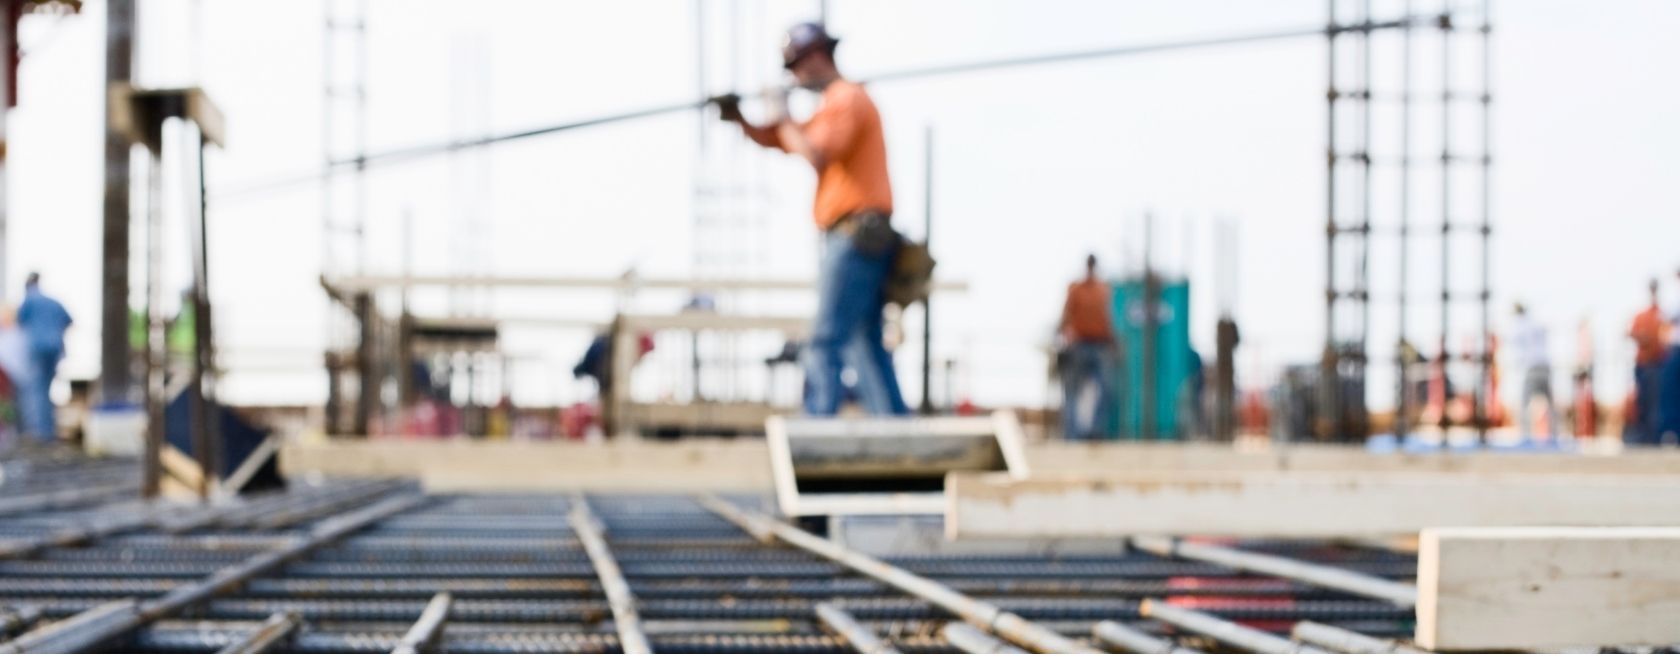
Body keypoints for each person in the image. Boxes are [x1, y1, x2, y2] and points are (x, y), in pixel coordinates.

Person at [719, 22, 907, 416]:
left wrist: (781, 110)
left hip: (856, 235)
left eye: (796, 67)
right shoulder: (834, 106)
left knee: (826, 337)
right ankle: (895, 426)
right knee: (864, 338)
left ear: (816, 58)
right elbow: (785, 140)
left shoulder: (847, 99)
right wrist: (743, 120)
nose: (794, 77)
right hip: (859, 236)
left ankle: (818, 422)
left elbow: (815, 152)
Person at [1058, 254, 1117, 440]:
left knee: (1106, 389)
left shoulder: (1103, 290)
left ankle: (1094, 431)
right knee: (1072, 392)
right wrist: (1066, 337)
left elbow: (1106, 318)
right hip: (1079, 346)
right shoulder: (1076, 289)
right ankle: (1072, 435)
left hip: (1099, 345)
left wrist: (1112, 341)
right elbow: (1066, 315)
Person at [15, 273, 72, 444]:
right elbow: (69, 320)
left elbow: (20, 322)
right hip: (55, 347)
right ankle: (48, 430)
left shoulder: (29, 300)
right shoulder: (53, 302)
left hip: (38, 348)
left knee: (37, 389)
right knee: (47, 389)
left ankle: (42, 433)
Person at [1627, 278, 1667, 444]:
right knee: (1643, 402)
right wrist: (1645, 338)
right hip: (1643, 365)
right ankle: (1644, 436)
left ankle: (1653, 437)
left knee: (1655, 403)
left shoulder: (1661, 315)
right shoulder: (1642, 315)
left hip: (1656, 365)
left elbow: (1665, 337)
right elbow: (1631, 333)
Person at [1509, 302, 1555, 439]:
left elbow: (1516, 346)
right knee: (1550, 403)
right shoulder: (1537, 323)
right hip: (1545, 364)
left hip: (1530, 366)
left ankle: (1526, 437)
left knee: (1525, 404)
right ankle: (1554, 436)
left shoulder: (1519, 325)